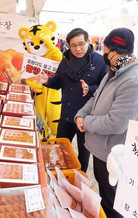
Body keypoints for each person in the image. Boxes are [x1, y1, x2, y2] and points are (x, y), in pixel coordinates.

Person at [75, 27, 138, 218]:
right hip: (101, 150)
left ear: (118, 53)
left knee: (112, 203)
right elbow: (95, 98)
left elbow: (117, 123)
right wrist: (81, 115)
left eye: (106, 51)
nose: (104, 56)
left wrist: (87, 123)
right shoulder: (115, 72)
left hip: (114, 155)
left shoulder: (134, 81)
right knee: (105, 196)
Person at [36, 28, 108, 172]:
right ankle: (59, 176)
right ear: (69, 45)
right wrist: (46, 81)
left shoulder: (100, 62)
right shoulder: (66, 60)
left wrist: (90, 89)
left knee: (83, 154)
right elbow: (57, 83)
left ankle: (80, 178)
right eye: (73, 45)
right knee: (58, 149)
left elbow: (105, 89)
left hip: (85, 118)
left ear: (88, 41)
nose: (78, 48)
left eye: (81, 43)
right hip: (66, 115)